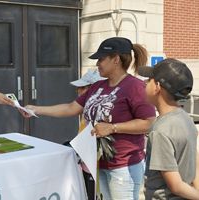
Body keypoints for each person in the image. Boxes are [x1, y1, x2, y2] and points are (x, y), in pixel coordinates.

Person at [20, 37, 156, 199]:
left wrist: (113, 127)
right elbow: (72, 108)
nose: (97, 64)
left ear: (116, 60)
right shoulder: (98, 86)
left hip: (123, 167)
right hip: (98, 164)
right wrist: (36, 109)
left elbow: (149, 123)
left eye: (101, 59)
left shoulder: (135, 87)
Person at [138, 58, 199, 199]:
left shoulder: (160, 130)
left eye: (149, 80)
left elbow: (175, 186)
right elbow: (195, 164)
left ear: (157, 87)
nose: (145, 83)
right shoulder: (186, 118)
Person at [70, 68, 104, 200]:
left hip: (96, 168)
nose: (79, 91)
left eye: (83, 88)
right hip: (86, 166)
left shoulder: (99, 111)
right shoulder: (85, 109)